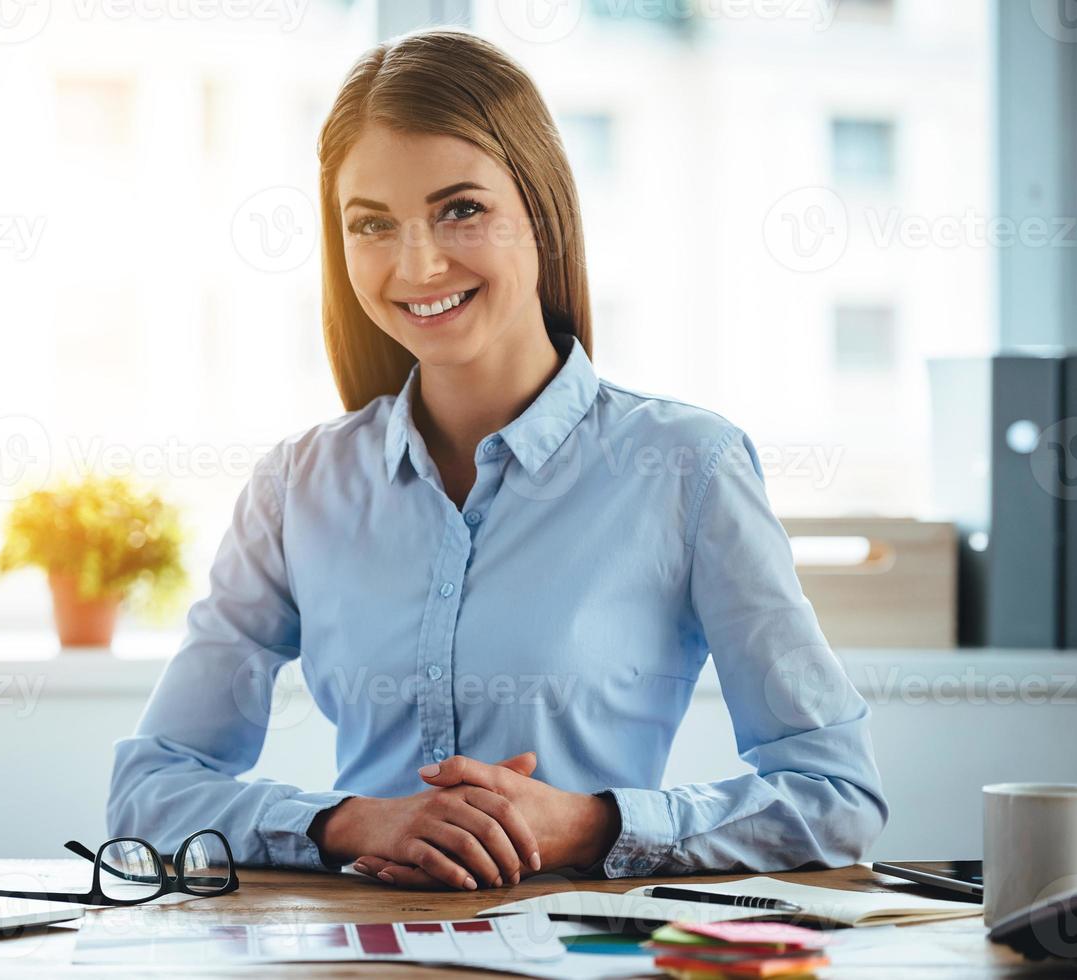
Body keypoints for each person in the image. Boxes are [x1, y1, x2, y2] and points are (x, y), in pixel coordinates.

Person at [107, 27, 887, 891]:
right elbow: (149, 791)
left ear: (540, 214)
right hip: (356, 952)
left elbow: (835, 794)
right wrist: (346, 822)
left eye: (460, 209)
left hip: (581, 952)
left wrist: (592, 824)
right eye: (372, 224)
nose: (417, 262)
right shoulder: (298, 486)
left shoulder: (687, 469)